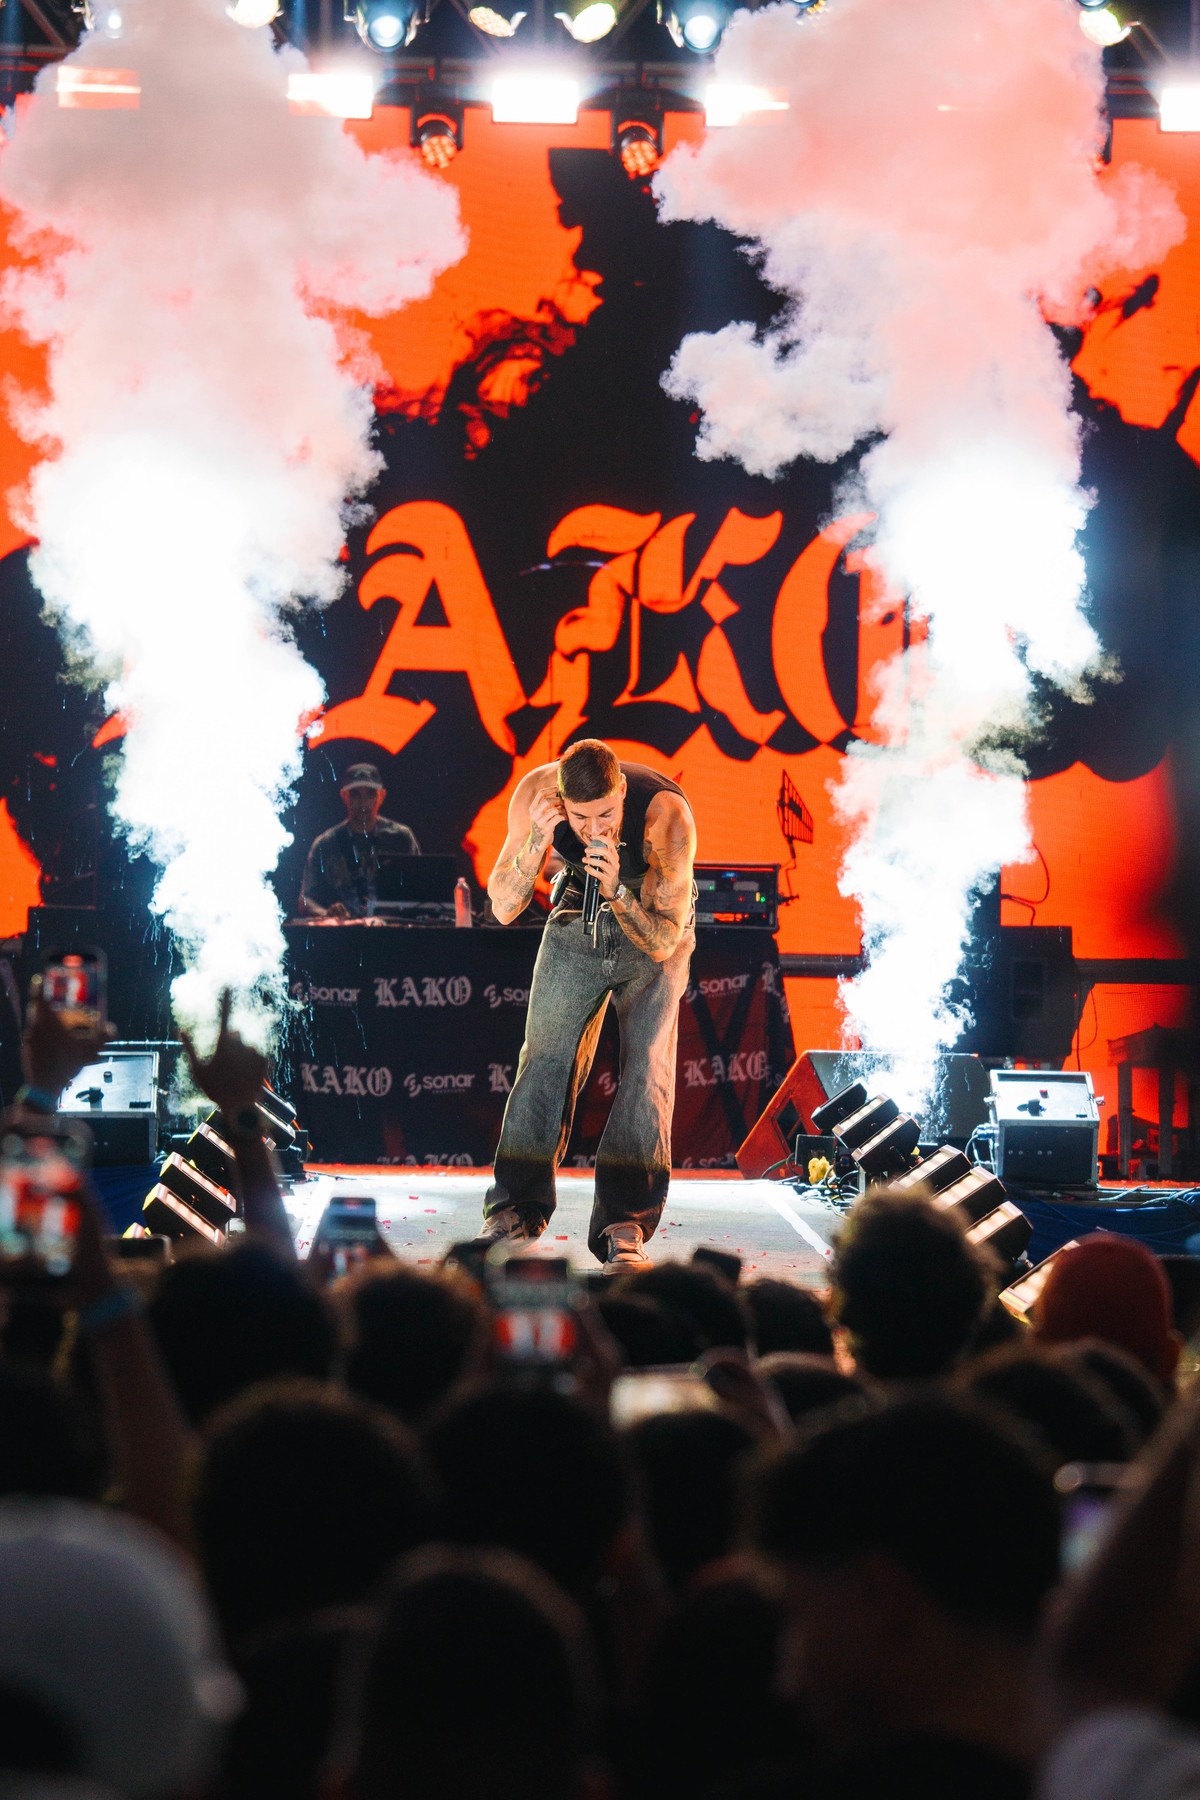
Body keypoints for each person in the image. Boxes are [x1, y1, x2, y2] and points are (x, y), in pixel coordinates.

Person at [482, 739, 697, 1269]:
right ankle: (515, 1208)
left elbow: (663, 943)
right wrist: (537, 842)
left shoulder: (665, 815)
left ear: (621, 789)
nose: (595, 828)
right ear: (561, 800)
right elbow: (503, 908)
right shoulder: (536, 792)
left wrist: (619, 890)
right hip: (580, 906)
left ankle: (625, 1224)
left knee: (646, 1068)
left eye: (606, 814)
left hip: (652, 916)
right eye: (580, 818)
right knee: (544, 1055)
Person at [299, 763, 420, 920]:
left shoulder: (401, 838)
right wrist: (328, 914)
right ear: (344, 796)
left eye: (370, 794)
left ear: (382, 796)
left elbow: (420, 890)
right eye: (355, 794)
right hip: (344, 931)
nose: (363, 803)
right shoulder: (326, 844)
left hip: (392, 928)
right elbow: (305, 900)